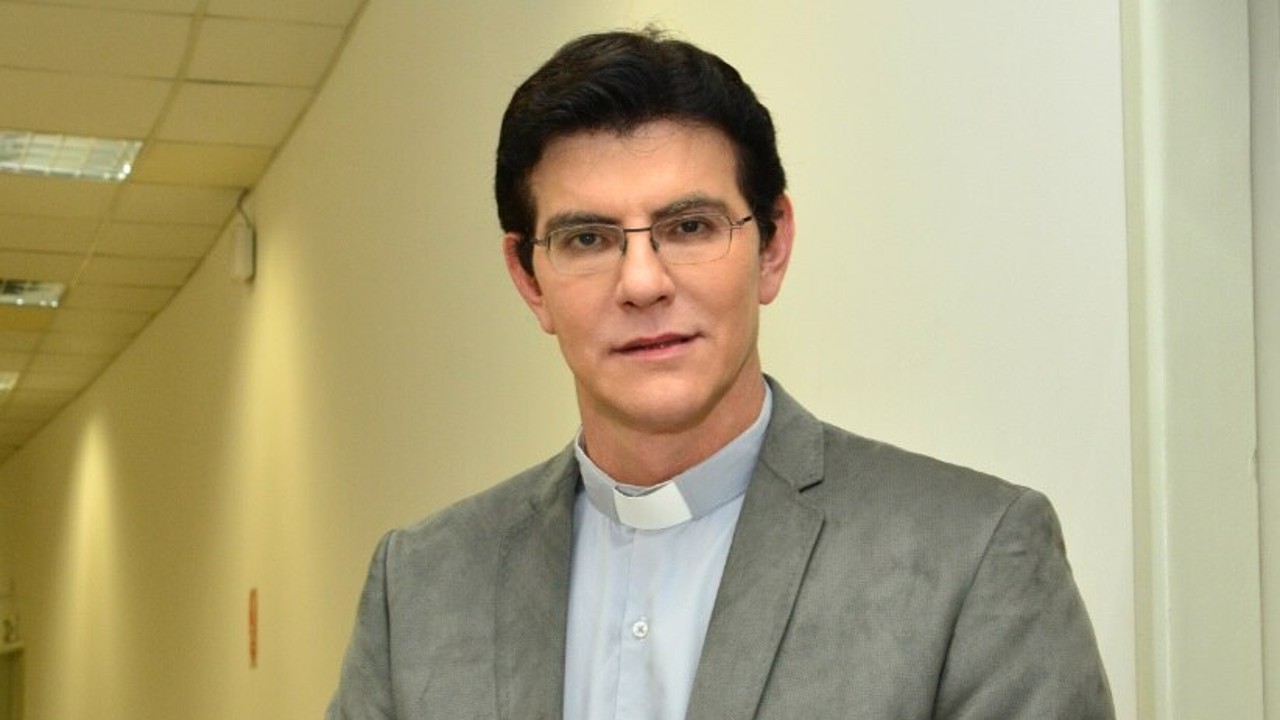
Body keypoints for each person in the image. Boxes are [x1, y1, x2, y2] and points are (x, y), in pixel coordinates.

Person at [326, 28, 1114, 720]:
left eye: (690, 226)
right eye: (588, 239)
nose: (642, 282)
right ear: (530, 280)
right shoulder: (420, 587)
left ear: (772, 247)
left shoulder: (972, 556)